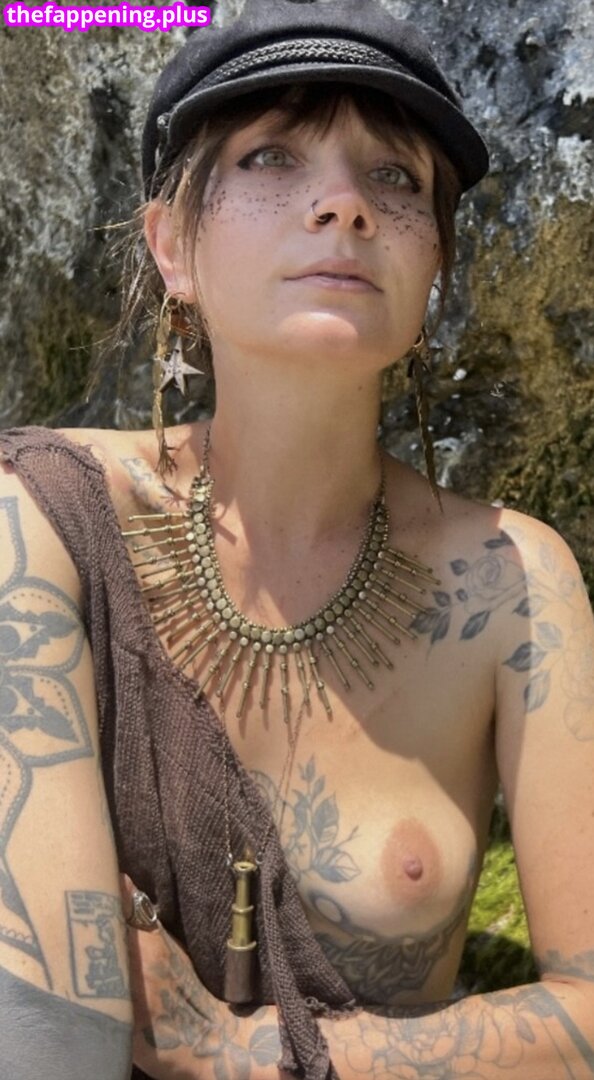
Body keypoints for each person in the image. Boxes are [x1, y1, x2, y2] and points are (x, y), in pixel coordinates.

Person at [1, 1, 593, 1078]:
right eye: (271, 155)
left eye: (395, 177)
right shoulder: (38, 519)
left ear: (435, 267)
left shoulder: (516, 585)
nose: (344, 205)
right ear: (172, 245)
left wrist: (235, 1054)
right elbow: (41, 1034)